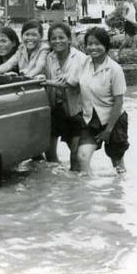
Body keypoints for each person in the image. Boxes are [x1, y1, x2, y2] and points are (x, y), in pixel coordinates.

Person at [62, 27, 129, 176]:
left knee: (117, 162)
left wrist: (108, 130)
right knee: (82, 156)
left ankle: (118, 192)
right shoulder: (84, 63)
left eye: (97, 44)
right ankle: (89, 194)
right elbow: (70, 83)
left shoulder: (114, 69)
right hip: (90, 119)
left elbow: (118, 102)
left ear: (106, 45)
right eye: (89, 44)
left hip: (114, 120)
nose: (93, 47)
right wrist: (45, 82)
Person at [42, 23, 86, 170]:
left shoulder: (80, 58)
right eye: (53, 38)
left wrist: (47, 82)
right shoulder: (49, 57)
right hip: (57, 108)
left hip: (77, 111)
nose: (57, 41)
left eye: (61, 37)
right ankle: (57, 185)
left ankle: (75, 188)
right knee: (49, 154)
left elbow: (71, 83)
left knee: (75, 156)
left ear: (69, 40)